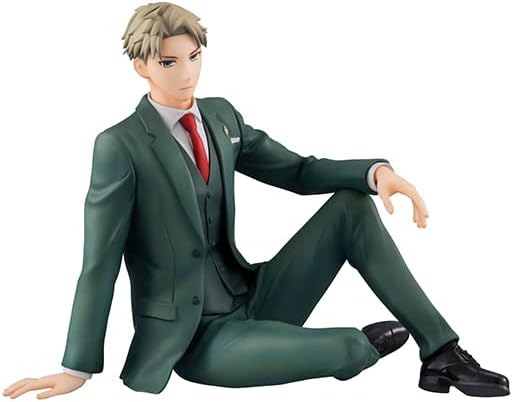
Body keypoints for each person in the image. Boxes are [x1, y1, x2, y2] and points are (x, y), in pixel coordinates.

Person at [3, 2, 509, 399]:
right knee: (350, 348)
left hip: (258, 297)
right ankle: (356, 346)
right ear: (142, 66)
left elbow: (297, 171)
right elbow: (99, 263)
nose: (186, 73)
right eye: (169, 62)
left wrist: (376, 174)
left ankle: (441, 352)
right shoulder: (120, 146)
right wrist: (76, 367)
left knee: (352, 205)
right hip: (200, 341)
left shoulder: (221, 117)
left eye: (194, 57)